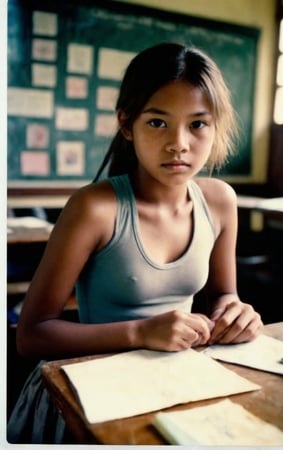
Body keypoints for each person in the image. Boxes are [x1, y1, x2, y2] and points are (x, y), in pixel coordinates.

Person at [8, 42, 263, 443]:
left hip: (179, 383)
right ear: (127, 125)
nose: (179, 143)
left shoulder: (219, 201)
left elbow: (223, 294)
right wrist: (141, 332)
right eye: (158, 122)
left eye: (198, 124)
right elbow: (31, 335)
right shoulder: (95, 208)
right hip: (89, 397)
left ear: (216, 128)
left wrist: (234, 312)